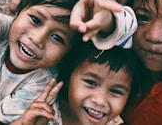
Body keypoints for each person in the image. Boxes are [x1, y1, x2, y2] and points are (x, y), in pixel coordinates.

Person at [71, 0, 162, 124]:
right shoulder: (119, 62)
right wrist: (103, 18)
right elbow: (113, 22)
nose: (153, 36)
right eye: (143, 17)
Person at [12, 40, 140, 125]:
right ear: (68, 78)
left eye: (116, 91)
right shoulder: (38, 109)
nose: (100, 101)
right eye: (91, 82)